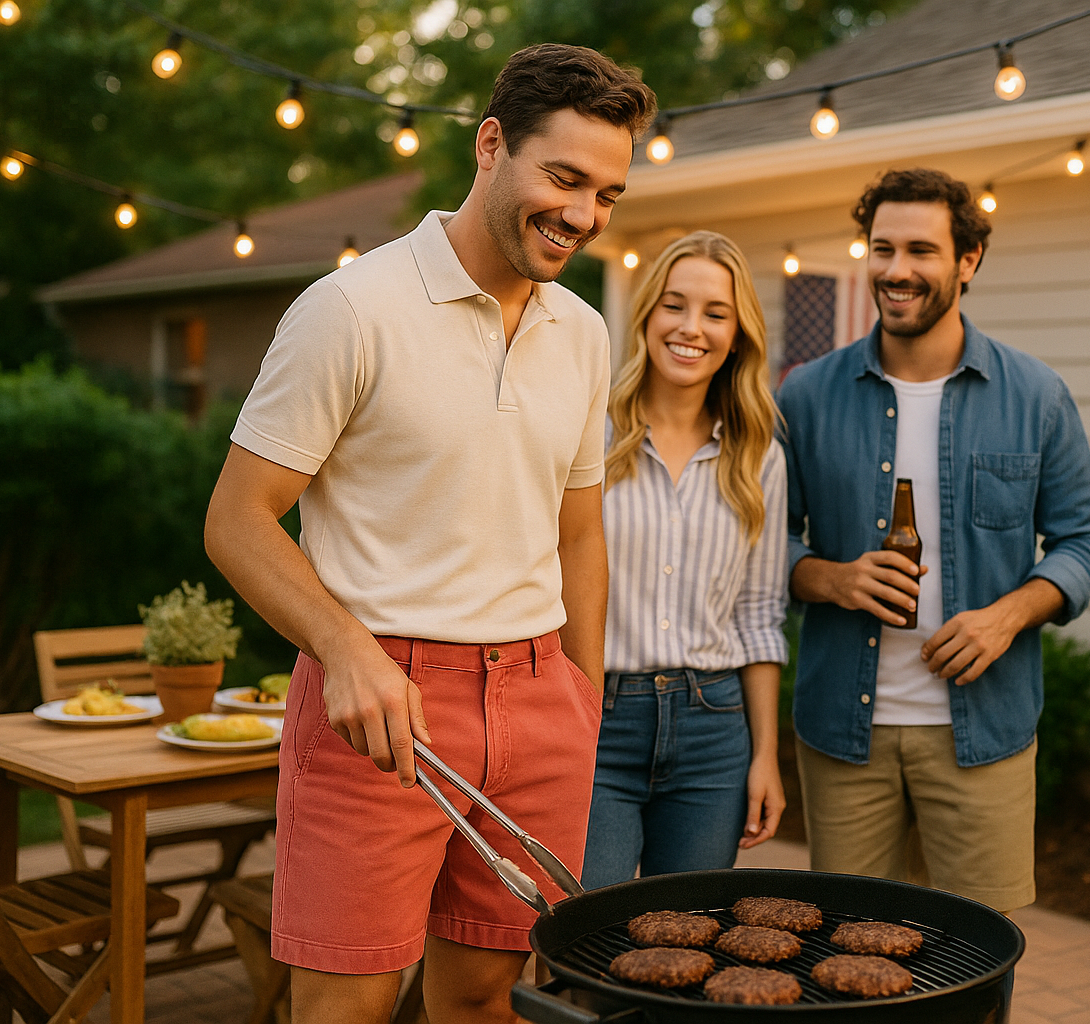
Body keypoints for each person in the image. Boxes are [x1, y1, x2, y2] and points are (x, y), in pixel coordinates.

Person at [203, 44, 654, 1024]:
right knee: (346, 1008)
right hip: (379, 706)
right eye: (565, 177)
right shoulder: (351, 310)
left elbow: (581, 532)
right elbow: (236, 520)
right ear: (491, 145)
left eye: (607, 193)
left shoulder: (583, 331)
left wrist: (580, 692)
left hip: (541, 706)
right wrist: (345, 649)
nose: (583, 213)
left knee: (488, 997)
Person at [778, 168, 1090, 913]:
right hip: (844, 735)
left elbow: (1087, 539)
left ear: (968, 261)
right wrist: (828, 579)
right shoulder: (804, 394)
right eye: (883, 248)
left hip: (984, 732)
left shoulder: (1036, 395)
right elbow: (758, 545)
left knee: (977, 959)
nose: (898, 271)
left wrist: (1009, 614)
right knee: (845, 952)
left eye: (922, 251)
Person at [581, 231, 788, 889]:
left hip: (714, 733)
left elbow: (759, 615)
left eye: (715, 313)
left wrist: (765, 756)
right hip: (596, 719)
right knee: (582, 940)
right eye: (674, 305)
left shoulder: (760, 459)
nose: (690, 327)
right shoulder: (587, 433)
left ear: (737, 335)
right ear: (647, 315)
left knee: (688, 943)